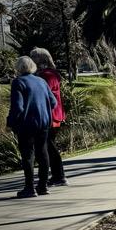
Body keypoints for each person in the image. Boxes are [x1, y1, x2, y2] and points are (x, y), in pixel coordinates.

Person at [7, 55, 56, 199]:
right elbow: (53, 102)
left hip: (27, 124)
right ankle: (43, 186)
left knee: (28, 155)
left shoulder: (18, 82)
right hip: (44, 123)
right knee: (43, 152)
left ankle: (29, 188)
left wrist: (10, 122)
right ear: (32, 66)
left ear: (18, 68)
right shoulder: (41, 81)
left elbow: (18, 107)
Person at [30, 47, 67, 186]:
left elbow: (45, 95)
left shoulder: (47, 75)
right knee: (48, 145)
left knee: (48, 146)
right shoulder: (48, 74)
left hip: (51, 115)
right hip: (52, 114)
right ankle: (57, 175)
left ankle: (59, 175)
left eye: (33, 57)